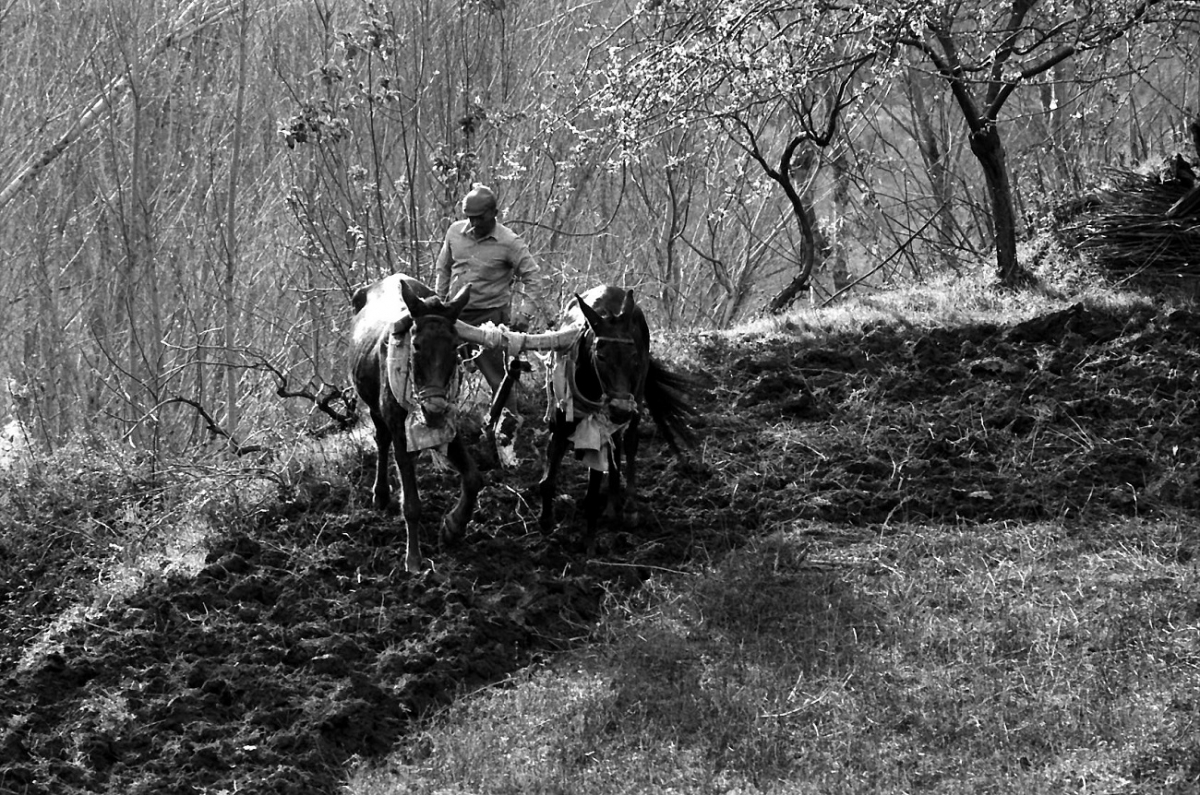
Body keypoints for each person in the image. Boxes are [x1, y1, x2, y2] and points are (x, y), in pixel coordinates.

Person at [434, 183, 551, 466]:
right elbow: (443, 268)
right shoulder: (454, 232)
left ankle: (506, 443)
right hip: (455, 317)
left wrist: (524, 315)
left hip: (490, 320)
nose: (473, 223)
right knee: (438, 376)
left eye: (479, 218)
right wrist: (437, 306)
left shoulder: (509, 242)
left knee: (500, 382)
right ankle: (438, 443)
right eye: (469, 217)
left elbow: (533, 277)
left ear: (494, 214)